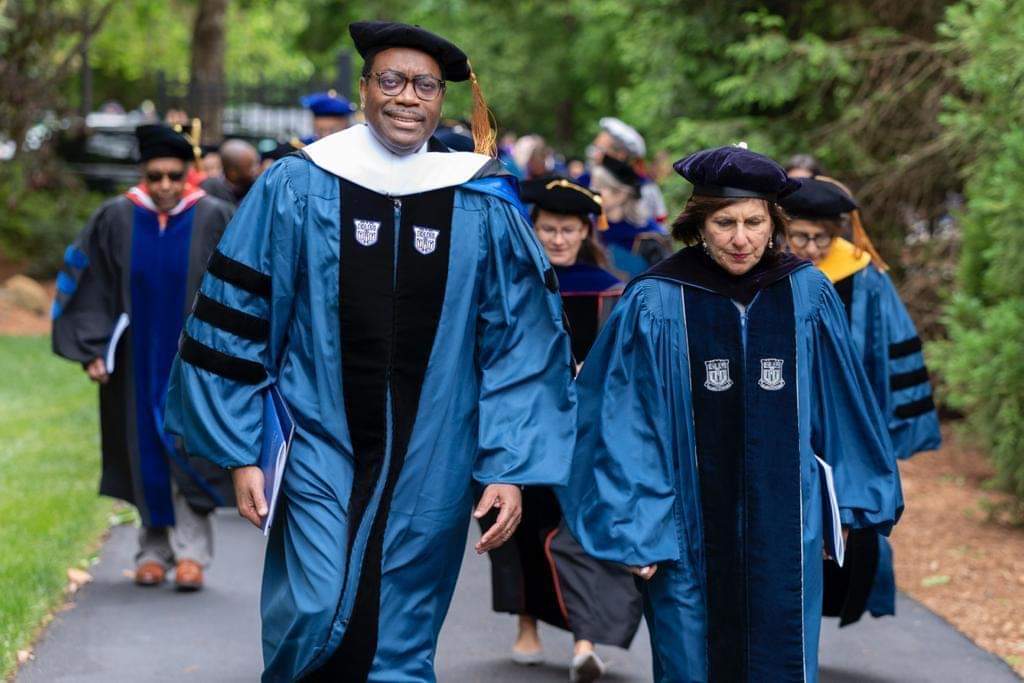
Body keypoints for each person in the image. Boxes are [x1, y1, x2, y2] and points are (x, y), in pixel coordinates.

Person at [165, 20, 575, 682]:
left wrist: (509, 465)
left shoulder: (479, 197)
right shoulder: (297, 184)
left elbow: (520, 341)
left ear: (442, 99)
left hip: (436, 448)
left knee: (403, 628)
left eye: (425, 86)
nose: (407, 97)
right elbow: (237, 316)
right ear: (363, 90)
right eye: (391, 80)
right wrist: (243, 452)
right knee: (313, 602)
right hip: (319, 437)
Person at [557, 145, 903, 682]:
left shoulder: (805, 293)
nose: (741, 239)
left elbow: (843, 402)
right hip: (684, 534)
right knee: (691, 664)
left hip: (786, 529)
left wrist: (851, 505)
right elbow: (622, 420)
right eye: (725, 223)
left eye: (754, 222)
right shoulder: (656, 299)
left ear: (773, 224)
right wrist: (636, 523)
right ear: (699, 224)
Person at [52, 123, 235, 591]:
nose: (165, 186)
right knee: (144, 449)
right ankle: (152, 551)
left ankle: (192, 553)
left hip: (197, 360)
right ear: (143, 174)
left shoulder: (213, 215)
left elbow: (241, 287)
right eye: (155, 176)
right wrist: (93, 348)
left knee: (191, 448)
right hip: (135, 359)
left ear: (188, 173)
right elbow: (87, 282)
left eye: (174, 175)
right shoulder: (116, 217)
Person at [480, 176, 638, 682]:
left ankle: (582, 640)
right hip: (522, 424)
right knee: (522, 525)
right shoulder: (513, 281)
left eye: (568, 230)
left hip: (585, 428)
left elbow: (626, 363)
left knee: (577, 530)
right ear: (534, 229)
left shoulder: (610, 288)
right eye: (548, 229)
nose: (558, 239)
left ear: (585, 231)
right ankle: (526, 623)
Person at [782, 176, 941, 627]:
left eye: (822, 238)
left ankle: (831, 601)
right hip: (786, 406)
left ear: (837, 233)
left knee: (849, 510)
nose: (811, 249)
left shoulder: (862, 274)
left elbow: (893, 347)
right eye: (801, 237)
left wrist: (888, 425)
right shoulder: (771, 270)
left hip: (844, 414)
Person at [590, 157, 670, 278]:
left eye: (599, 187)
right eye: (592, 185)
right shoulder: (589, 229)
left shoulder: (650, 236)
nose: (592, 191)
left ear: (621, 194)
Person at [582, 117, 668, 226]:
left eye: (601, 149)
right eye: (595, 147)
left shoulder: (644, 187)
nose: (594, 154)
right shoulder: (586, 179)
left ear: (621, 155)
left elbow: (658, 223)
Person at [200, 138, 261, 206]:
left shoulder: (256, 186)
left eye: (255, 165)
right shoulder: (211, 189)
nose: (255, 171)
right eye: (250, 167)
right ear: (233, 173)